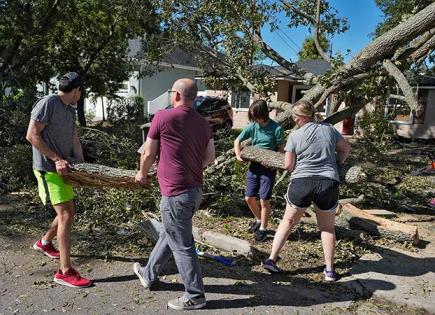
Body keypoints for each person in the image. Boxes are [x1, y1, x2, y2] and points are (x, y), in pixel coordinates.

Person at [133, 78, 215, 310]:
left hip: (175, 193)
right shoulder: (203, 123)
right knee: (171, 234)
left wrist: (142, 173)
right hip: (195, 190)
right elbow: (210, 156)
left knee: (182, 245)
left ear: (177, 95)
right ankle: (149, 274)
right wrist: (191, 166)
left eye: (171, 92)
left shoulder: (162, 116)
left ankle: (195, 295)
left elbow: (149, 153)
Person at [263, 100, 351, 282]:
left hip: (302, 183)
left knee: (287, 221)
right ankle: (329, 271)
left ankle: (271, 260)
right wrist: (339, 164)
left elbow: (288, 165)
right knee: (327, 228)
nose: (294, 121)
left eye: (295, 118)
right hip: (328, 183)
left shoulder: (295, 136)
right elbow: (345, 149)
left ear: (302, 118)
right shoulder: (329, 129)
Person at [26, 72, 91, 288]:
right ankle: (64, 271)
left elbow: (74, 140)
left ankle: (45, 243)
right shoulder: (48, 103)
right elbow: (32, 135)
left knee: (67, 211)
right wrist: (56, 159)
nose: (80, 96)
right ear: (76, 91)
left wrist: (85, 169)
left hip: (64, 168)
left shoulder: (69, 110)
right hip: (48, 168)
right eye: (81, 92)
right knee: (66, 213)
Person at [234, 100, 284, 242]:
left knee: (264, 200)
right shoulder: (253, 127)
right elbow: (237, 140)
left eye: (255, 115)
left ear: (262, 113)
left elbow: (281, 150)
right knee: (249, 198)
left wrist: (277, 163)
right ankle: (258, 219)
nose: (253, 118)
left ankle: (263, 228)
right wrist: (238, 155)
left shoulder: (276, 129)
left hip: (268, 168)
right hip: (254, 166)